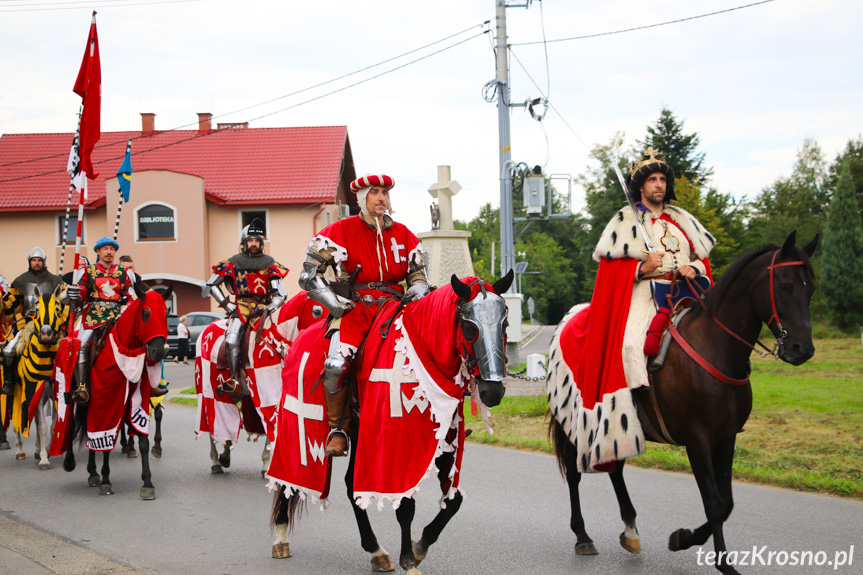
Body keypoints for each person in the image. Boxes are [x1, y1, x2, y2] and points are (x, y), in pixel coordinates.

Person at [298, 173, 430, 456]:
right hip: (354, 308)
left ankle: (437, 417)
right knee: (336, 363)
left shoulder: (405, 234)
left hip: (395, 309)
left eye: (384, 192)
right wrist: (333, 302)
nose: (381, 197)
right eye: (375, 192)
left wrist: (417, 292)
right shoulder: (339, 232)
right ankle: (338, 429)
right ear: (362, 198)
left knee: (430, 351)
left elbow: (418, 275)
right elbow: (309, 275)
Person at [586, 147, 715, 392]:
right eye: (652, 180)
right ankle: (637, 396)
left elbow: (703, 260)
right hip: (647, 292)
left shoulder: (681, 221)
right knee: (632, 344)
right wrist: (642, 268)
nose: (659, 185)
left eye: (663, 180)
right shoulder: (625, 222)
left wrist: (694, 268)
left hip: (687, 291)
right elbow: (611, 272)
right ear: (641, 187)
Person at [204, 218, 288, 392]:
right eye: (250, 240)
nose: (254, 243)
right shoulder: (232, 263)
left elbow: (280, 293)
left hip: (265, 308)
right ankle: (235, 380)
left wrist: (273, 305)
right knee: (231, 339)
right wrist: (226, 305)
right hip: (242, 307)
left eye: (257, 240)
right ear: (244, 243)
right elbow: (210, 284)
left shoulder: (270, 264)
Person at [67, 237, 134, 403]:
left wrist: (127, 309)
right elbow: (82, 291)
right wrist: (76, 293)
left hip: (117, 314)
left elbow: (130, 295)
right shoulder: (88, 271)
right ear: (98, 251)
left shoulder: (124, 272)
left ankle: (140, 382)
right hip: (94, 314)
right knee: (82, 343)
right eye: (105, 249)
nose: (109, 252)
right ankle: (82, 385)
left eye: (112, 249)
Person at [2, 247, 68, 395]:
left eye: (39, 260)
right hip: (27, 321)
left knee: (70, 348)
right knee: (8, 349)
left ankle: (74, 384)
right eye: (34, 260)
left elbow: (64, 304)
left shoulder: (56, 281)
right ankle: (9, 382)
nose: (37, 263)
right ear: (29, 262)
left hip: (52, 323)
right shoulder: (20, 281)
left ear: (44, 262)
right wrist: (3, 302)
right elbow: (10, 304)